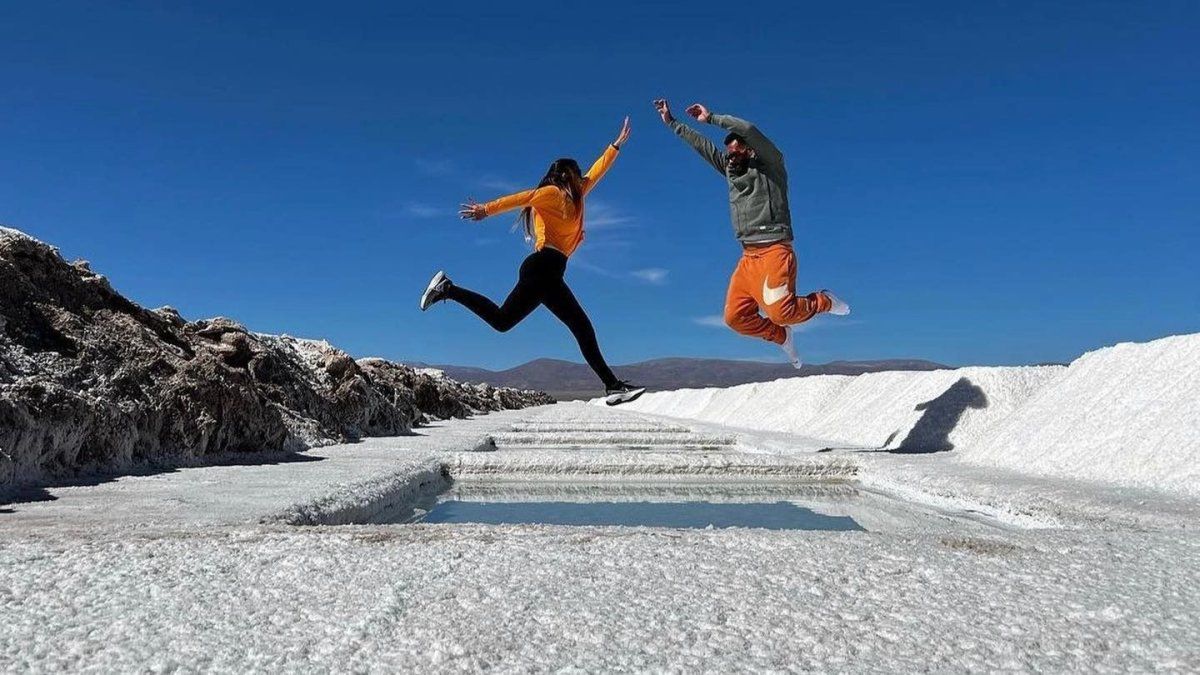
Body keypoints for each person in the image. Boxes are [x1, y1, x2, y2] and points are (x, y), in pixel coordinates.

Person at [419, 117, 645, 405]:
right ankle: (612, 385)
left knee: (504, 321)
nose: (582, 178)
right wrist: (486, 210)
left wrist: (616, 145)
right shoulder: (552, 194)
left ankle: (448, 289)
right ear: (566, 176)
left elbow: (597, 171)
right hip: (543, 268)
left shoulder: (577, 195)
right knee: (580, 326)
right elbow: (523, 197)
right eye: (577, 174)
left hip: (549, 271)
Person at [653, 99, 849, 368]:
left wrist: (711, 119)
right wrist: (673, 122)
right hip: (748, 257)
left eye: (736, 152)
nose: (731, 159)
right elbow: (702, 146)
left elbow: (748, 128)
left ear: (751, 151)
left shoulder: (771, 166)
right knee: (735, 318)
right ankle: (781, 337)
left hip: (774, 250)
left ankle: (824, 301)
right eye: (728, 154)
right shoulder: (731, 171)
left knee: (781, 311)